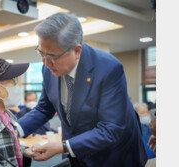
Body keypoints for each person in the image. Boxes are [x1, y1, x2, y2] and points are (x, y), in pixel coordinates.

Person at [16, 12, 147, 167]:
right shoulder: (48, 69)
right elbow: (45, 108)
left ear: (77, 51)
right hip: (78, 155)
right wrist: (14, 130)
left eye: (51, 56)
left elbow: (110, 129)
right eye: (41, 53)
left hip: (114, 155)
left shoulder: (108, 68)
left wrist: (62, 147)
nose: (45, 63)